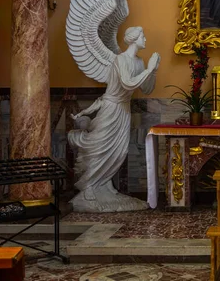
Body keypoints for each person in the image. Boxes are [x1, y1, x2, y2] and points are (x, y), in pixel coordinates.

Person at [69, 26, 160, 212]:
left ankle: (104, 184)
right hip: (111, 109)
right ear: (134, 39)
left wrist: (153, 71)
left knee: (118, 151)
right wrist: (148, 69)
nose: (145, 39)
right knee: (101, 147)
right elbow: (128, 82)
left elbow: (146, 89)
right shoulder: (121, 60)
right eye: (143, 36)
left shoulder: (139, 62)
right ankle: (88, 188)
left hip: (124, 110)